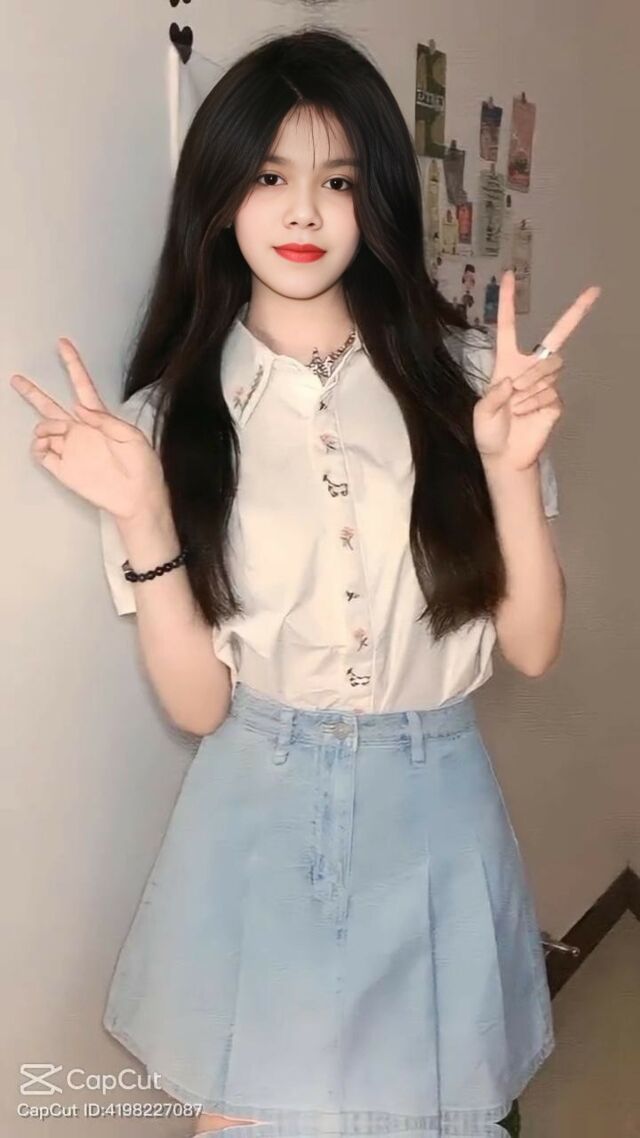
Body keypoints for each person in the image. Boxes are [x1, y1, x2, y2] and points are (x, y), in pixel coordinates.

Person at [9, 26, 600, 1138]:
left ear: (376, 199)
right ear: (220, 196)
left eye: (337, 181)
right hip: (257, 807)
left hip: (437, 805)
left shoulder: (472, 382)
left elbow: (530, 646)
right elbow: (200, 706)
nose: (303, 213)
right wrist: (141, 514)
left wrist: (512, 472)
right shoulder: (164, 425)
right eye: (270, 177)